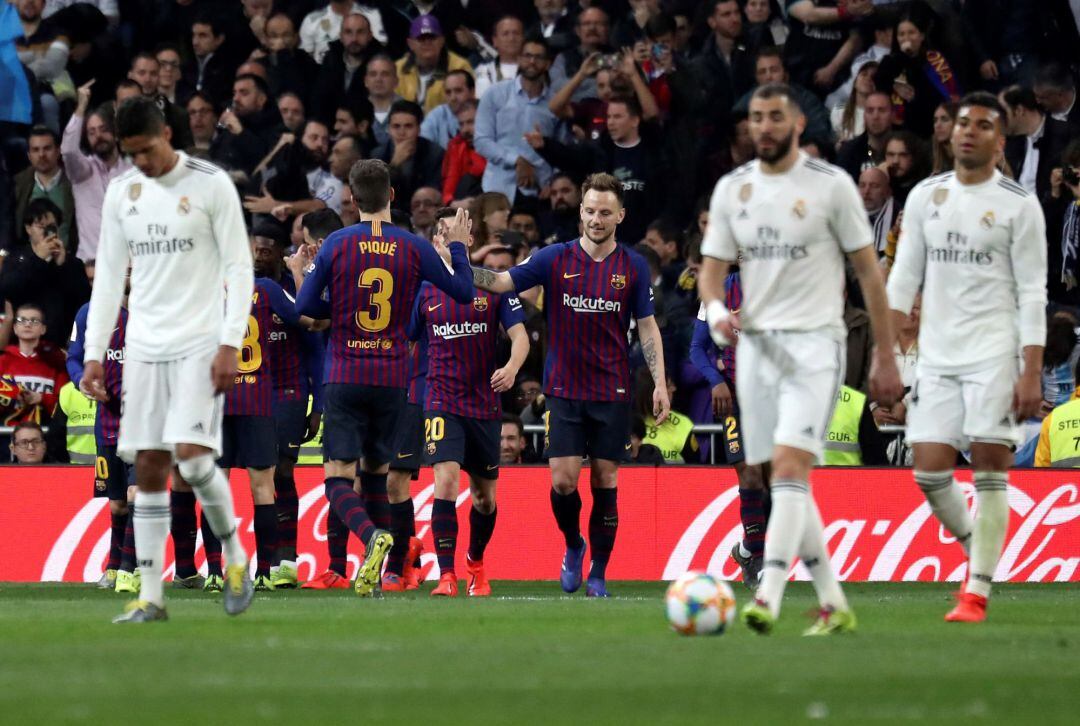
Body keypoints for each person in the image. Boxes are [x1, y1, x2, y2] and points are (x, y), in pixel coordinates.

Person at [698, 83, 903, 635]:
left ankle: (768, 592)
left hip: (816, 343)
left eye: (774, 117)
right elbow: (712, 274)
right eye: (756, 117)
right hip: (756, 350)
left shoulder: (832, 187)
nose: (763, 126)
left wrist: (887, 355)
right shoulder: (732, 190)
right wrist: (717, 312)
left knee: (789, 468)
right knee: (779, 478)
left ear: (796, 125)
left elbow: (869, 275)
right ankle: (834, 604)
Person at [81, 96, 255, 623]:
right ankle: (152, 596)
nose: (142, 163)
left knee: (193, 457)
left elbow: (240, 268)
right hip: (143, 347)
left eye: (148, 150)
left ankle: (234, 555)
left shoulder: (209, 184)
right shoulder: (121, 193)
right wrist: (94, 352)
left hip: (200, 343)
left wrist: (230, 342)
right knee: (151, 465)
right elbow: (109, 278)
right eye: (130, 153)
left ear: (166, 134)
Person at [885, 92, 1048, 623]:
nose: (968, 132)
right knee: (929, 473)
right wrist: (885, 356)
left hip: (994, 356)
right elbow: (903, 279)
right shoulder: (925, 197)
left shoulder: (1019, 204)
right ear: (949, 133)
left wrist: (1031, 368)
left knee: (987, 470)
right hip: (936, 355)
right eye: (961, 123)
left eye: (982, 125)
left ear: (1000, 143)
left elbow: (1033, 293)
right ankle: (981, 547)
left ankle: (975, 590)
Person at [470, 172, 670, 598]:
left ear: (621, 215)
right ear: (580, 212)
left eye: (605, 212)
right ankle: (574, 544)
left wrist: (659, 384)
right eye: (590, 211)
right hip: (563, 390)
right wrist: (452, 265)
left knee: (604, 479)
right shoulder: (553, 258)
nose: (596, 219)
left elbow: (649, 328)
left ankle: (598, 573)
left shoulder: (632, 265)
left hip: (612, 391)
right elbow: (503, 282)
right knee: (563, 482)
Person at [294, 159, 476, 597]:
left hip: (344, 373)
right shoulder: (414, 248)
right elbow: (465, 293)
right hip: (394, 380)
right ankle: (377, 570)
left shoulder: (337, 242)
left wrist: (335, 308)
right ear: (393, 196)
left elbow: (303, 305)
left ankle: (373, 538)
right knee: (376, 472)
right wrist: (459, 247)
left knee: (338, 476)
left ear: (353, 201)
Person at [411, 222, 529, 597]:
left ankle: (475, 561)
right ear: (434, 243)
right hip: (440, 399)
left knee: (484, 497)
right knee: (445, 480)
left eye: (456, 234)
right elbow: (405, 341)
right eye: (442, 234)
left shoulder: (492, 284)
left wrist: (511, 368)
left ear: (469, 241)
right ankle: (446, 575)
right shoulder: (424, 289)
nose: (448, 240)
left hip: (483, 403)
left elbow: (521, 337)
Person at [68, 280, 132, 591]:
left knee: (138, 498)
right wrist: (81, 380)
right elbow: (73, 358)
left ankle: (131, 570)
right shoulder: (88, 314)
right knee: (118, 504)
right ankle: (115, 565)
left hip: (144, 422)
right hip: (107, 423)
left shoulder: (151, 312)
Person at [62, 81, 133, 262]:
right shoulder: (82, 171)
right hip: (91, 263)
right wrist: (81, 107)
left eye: (103, 129)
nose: (98, 136)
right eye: (91, 132)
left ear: (115, 133)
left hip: (128, 263)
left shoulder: (132, 171)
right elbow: (69, 150)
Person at [0, 301, 68, 425]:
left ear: (43, 329)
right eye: (22, 320)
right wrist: (13, 396)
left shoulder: (56, 363)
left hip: (45, 432)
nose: (28, 324)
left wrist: (41, 398)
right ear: (15, 328)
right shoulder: (3, 361)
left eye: (34, 321)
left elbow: (65, 404)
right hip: (6, 433)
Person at [13, 125, 77, 253]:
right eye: (35, 150)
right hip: (30, 262)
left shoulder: (75, 184)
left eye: (47, 148)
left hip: (67, 260)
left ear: (58, 151)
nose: (41, 154)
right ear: (29, 155)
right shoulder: (18, 184)